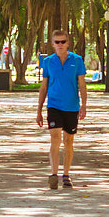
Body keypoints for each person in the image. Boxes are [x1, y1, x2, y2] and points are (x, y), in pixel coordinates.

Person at [35, 32, 88, 189]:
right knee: (55, 138)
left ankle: (66, 174)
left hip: (71, 106)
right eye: (57, 42)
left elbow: (82, 84)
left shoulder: (77, 60)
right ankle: (53, 174)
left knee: (69, 140)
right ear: (52, 44)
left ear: (68, 43)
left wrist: (84, 105)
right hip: (54, 105)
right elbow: (44, 86)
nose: (60, 44)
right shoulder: (48, 61)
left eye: (63, 41)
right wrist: (39, 110)